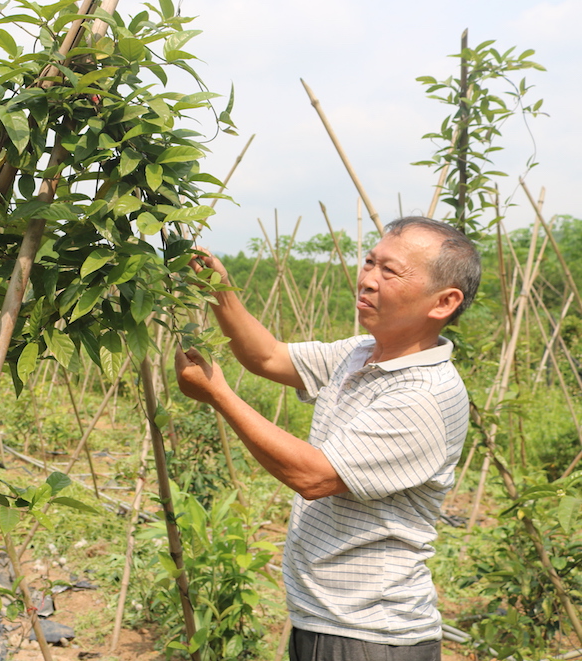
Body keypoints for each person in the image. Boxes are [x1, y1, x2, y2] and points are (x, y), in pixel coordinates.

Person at [175, 216, 481, 661]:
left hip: (370, 634)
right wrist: (219, 289)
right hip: (327, 617)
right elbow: (268, 355)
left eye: (389, 271)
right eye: (369, 262)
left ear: (443, 302)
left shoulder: (427, 394)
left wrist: (219, 395)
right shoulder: (360, 352)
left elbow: (313, 476)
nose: (368, 279)